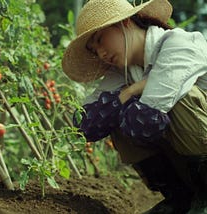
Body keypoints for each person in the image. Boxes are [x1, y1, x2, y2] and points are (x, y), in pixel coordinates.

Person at [61, 0, 207, 213]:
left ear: (125, 22)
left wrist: (131, 94)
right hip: (189, 157)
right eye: (94, 50)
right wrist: (129, 92)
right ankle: (179, 198)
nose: (101, 53)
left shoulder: (179, 45)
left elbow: (146, 120)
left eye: (100, 40)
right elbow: (84, 123)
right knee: (115, 109)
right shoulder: (123, 72)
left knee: (179, 98)